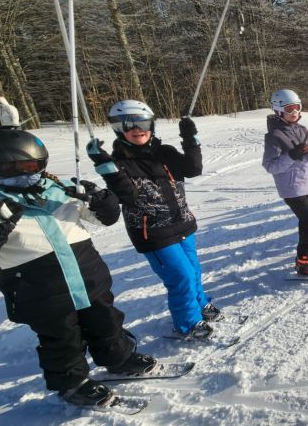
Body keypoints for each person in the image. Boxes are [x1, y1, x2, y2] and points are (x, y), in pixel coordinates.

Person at [0, 129, 156, 407]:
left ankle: (118, 357)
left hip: (88, 276)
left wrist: (103, 200)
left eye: (34, 166)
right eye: (17, 168)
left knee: (106, 319)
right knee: (62, 337)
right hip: (39, 290)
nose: (29, 174)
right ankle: (72, 382)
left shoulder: (58, 188)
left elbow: (106, 218)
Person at [87, 100, 219, 340]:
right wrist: (105, 166)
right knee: (180, 277)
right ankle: (187, 324)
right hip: (153, 233)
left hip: (182, 223)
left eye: (143, 122)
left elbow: (193, 169)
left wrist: (190, 138)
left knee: (194, 271)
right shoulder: (118, 164)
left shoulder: (165, 153)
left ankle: (201, 304)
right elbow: (130, 197)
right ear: (119, 128)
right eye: (129, 124)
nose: (138, 128)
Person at [262, 89, 308, 277]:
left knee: (306, 224)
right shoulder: (274, 136)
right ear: (278, 110)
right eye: (289, 108)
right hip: (292, 189)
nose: (295, 112)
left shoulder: (301, 129)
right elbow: (270, 166)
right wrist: (292, 155)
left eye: (297, 107)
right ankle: (304, 263)